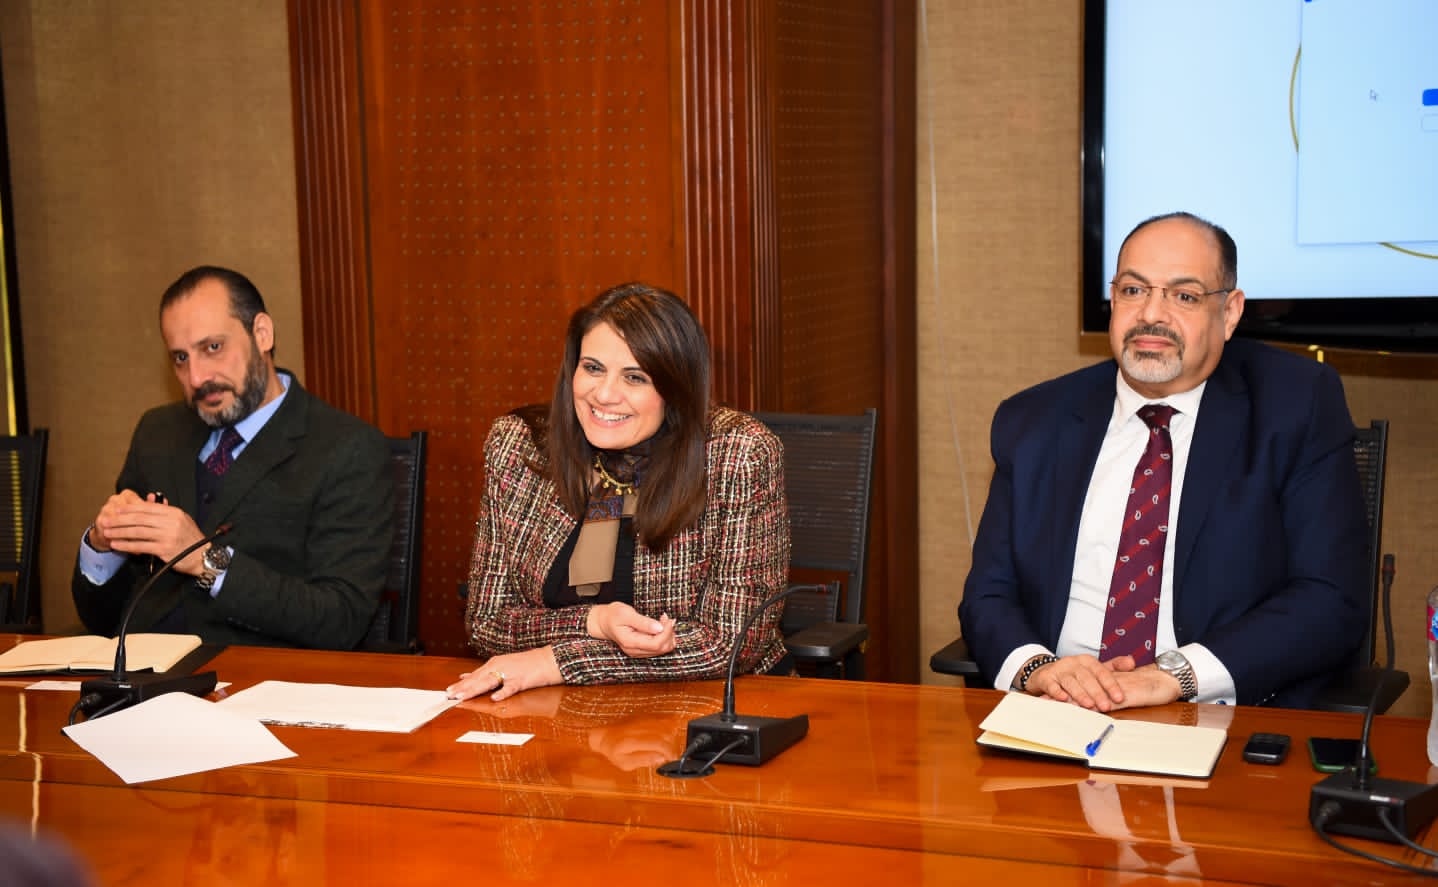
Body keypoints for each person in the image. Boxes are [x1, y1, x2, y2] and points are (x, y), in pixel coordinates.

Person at [958, 212, 1367, 710]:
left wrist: (1174, 677)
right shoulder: (1034, 420)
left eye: (1184, 296)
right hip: (1059, 710)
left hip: (1218, 712)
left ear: (1230, 312)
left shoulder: (1296, 405)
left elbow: (1329, 599)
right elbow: (989, 594)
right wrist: (1039, 671)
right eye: (1134, 290)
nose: (1152, 314)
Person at [446, 282, 790, 702]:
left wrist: (556, 662)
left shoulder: (739, 454)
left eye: (635, 377)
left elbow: (732, 642)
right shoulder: (519, 444)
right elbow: (486, 621)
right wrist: (596, 622)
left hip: (710, 704)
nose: (605, 395)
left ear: (676, 387)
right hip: (557, 708)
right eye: (592, 368)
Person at [72, 266, 393, 649]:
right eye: (180, 358)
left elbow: (341, 619)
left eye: (212, 348)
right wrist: (102, 547)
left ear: (262, 334)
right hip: (140, 669)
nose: (196, 377)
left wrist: (206, 561)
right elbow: (104, 619)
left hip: (257, 674)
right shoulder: (158, 433)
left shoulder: (346, 448)